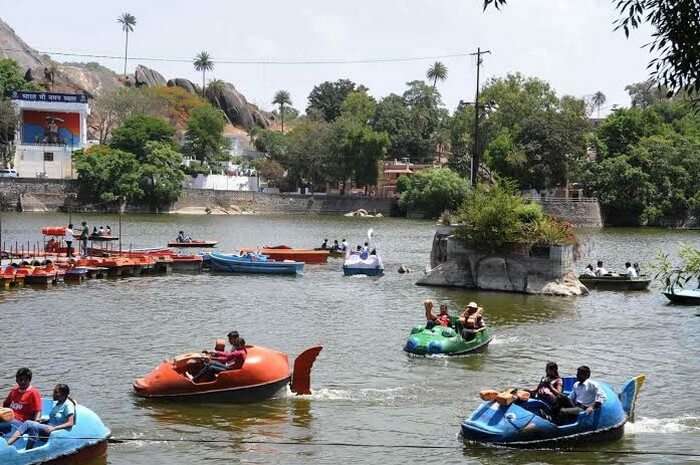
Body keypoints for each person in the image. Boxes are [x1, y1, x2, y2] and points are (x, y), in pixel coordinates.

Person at [6, 384, 75, 446]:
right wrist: (44, 420)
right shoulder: (58, 403)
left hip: (53, 430)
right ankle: (27, 446)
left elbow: (70, 423)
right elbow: (55, 419)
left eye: (56, 392)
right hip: (49, 426)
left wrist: (54, 428)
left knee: (28, 423)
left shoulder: (68, 405)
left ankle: (8, 444)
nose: (53, 394)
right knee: (31, 424)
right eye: (54, 392)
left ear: (63, 394)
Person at [1, 368, 42, 436]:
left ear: (29, 380)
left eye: (25, 380)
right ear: (17, 380)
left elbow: (38, 411)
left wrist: (35, 424)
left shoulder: (33, 393)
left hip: (21, 423)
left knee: (8, 423)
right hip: (10, 419)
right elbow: (5, 404)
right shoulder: (14, 390)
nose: (22, 382)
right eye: (20, 380)